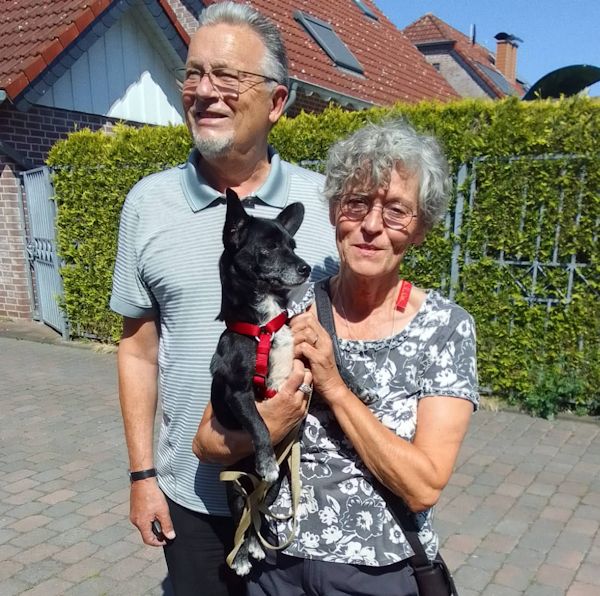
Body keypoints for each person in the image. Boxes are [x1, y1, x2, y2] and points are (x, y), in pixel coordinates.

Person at [195, 119, 479, 595]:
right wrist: (271, 423)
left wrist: (334, 388)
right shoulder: (286, 309)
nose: (371, 225)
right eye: (356, 203)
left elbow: (423, 486)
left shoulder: (446, 329)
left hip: (378, 573)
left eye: (396, 211)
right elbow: (206, 441)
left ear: (421, 229)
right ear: (334, 213)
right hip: (275, 563)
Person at [109, 3, 337, 595]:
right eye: (193, 73)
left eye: (228, 76)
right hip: (193, 495)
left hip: (305, 498)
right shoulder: (147, 204)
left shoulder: (328, 207)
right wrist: (142, 475)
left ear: (277, 102)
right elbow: (137, 351)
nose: (204, 91)